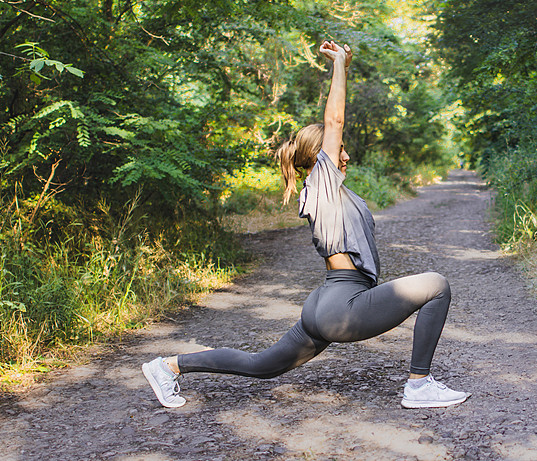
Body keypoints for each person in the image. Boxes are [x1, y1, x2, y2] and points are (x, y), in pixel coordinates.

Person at [142, 40, 470, 409]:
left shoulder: (326, 190)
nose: (345, 154)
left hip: (326, 303)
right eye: (339, 148)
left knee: (261, 364)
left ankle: (167, 366)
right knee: (436, 285)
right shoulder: (322, 183)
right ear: (320, 156)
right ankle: (419, 384)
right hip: (342, 303)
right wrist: (340, 65)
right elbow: (335, 119)